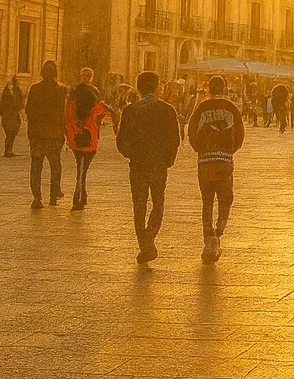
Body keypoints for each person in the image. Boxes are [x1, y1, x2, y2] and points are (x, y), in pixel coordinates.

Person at [117, 70, 181, 264]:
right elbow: (175, 139)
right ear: (157, 87)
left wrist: (132, 155)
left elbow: (121, 140)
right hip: (158, 164)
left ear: (138, 88)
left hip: (138, 164)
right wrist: (168, 160)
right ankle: (149, 237)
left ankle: (144, 245)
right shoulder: (167, 110)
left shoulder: (130, 110)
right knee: (158, 202)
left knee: (139, 205)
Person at [187, 75, 243, 263]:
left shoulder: (201, 107)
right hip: (224, 161)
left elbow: (192, 132)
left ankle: (208, 238)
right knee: (225, 200)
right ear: (225, 88)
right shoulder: (231, 108)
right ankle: (219, 231)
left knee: (207, 202)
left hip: (205, 162)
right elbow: (240, 135)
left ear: (208, 89)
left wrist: (201, 149)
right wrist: (229, 150)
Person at [64, 68, 112, 211]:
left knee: (80, 168)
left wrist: (70, 132)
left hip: (77, 135)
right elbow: (100, 113)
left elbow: (68, 113)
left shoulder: (74, 93)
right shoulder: (95, 94)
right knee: (83, 169)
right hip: (91, 135)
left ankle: (80, 197)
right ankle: (80, 197)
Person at [25, 61, 67, 208]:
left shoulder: (35, 89)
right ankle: (53, 197)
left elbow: (29, 111)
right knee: (55, 166)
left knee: (36, 167)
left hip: (37, 135)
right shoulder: (61, 90)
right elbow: (64, 113)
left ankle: (37, 198)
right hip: (54, 135)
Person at [0, 76, 24, 157]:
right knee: (9, 133)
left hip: (14, 116)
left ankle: (9, 150)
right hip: (7, 116)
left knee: (12, 133)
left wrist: (20, 110)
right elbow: (2, 105)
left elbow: (19, 102)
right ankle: (8, 150)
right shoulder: (6, 93)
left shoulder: (17, 91)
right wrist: (3, 115)